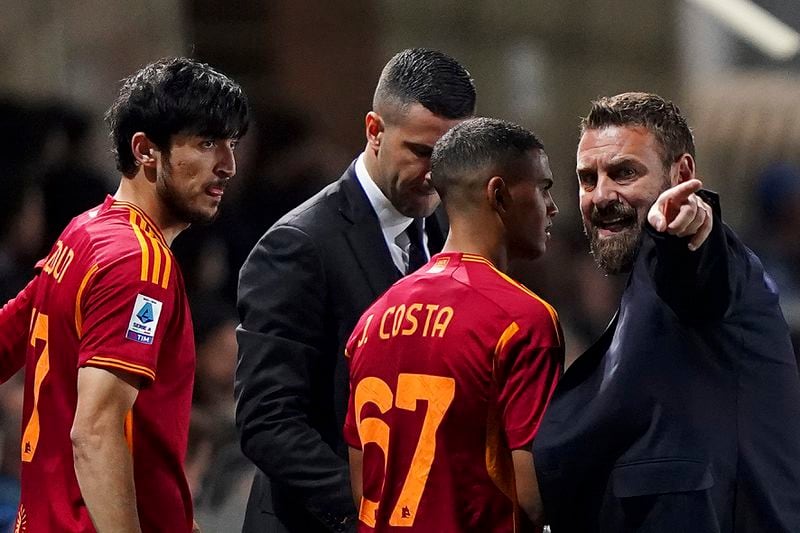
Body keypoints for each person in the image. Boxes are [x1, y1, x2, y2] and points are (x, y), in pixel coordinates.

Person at [0, 57, 249, 532]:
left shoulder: (83, 233)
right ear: (145, 150)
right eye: (206, 143)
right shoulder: (140, 262)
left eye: (231, 145)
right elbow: (95, 432)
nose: (228, 166)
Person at [533, 92, 800, 531]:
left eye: (623, 173)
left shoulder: (709, 260)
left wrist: (688, 229)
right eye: (587, 178)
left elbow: (698, 268)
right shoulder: (640, 290)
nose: (600, 195)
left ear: (682, 174)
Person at [235, 48, 476, 532]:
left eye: (450, 157)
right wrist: (370, 510)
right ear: (375, 131)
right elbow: (268, 420)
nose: (437, 174)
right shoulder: (298, 245)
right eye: (421, 152)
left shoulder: (447, 228)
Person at [344, 117, 563, 532]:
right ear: (499, 194)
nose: (552, 208)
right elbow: (534, 497)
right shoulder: (522, 320)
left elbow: (363, 485)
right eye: (543, 188)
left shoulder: (371, 321)